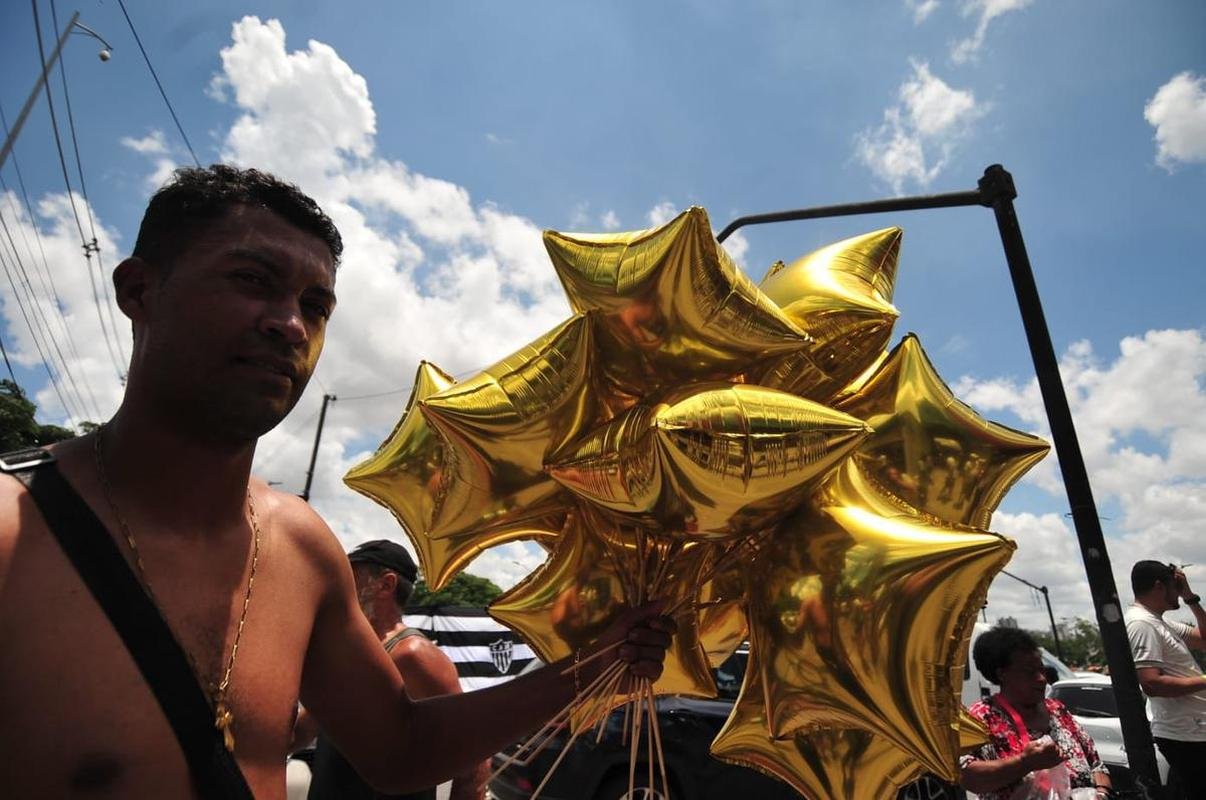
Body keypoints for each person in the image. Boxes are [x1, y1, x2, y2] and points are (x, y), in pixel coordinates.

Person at [0, 165, 673, 798]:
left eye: (315, 305)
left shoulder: (300, 547)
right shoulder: (14, 528)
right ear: (140, 290)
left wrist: (597, 661)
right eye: (251, 280)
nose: (290, 324)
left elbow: (400, 749)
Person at [293, 539, 487, 800]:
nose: (339, 585)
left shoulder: (413, 655)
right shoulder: (348, 651)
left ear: (386, 585)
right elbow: (305, 729)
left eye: (352, 577)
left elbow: (473, 754)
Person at [959, 626, 1111, 800]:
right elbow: (968, 778)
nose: (1041, 678)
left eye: (1042, 670)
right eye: (1029, 672)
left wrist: (1101, 793)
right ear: (1002, 674)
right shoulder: (982, 718)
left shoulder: (1057, 710)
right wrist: (1024, 762)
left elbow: (1096, 764)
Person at [1125, 560, 1206, 794]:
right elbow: (1151, 683)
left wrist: (1191, 597)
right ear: (1160, 587)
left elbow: (1204, 638)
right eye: (1176, 587)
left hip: (1193, 732)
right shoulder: (1142, 624)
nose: (1178, 595)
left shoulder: (1159, 622)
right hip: (1186, 735)